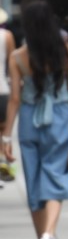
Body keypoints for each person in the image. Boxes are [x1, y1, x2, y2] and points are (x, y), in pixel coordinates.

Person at [1, 0, 68, 239]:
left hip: (29, 118)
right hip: (59, 117)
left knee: (34, 180)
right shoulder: (64, 52)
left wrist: (6, 136)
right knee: (55, 176)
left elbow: (15, 98)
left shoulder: (18, 57)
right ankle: (48, 236)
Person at [0, 26, 16, 186]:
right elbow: (12, 63)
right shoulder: (6, 35)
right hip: (2, 89)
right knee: (3, 131)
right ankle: (3, 165)